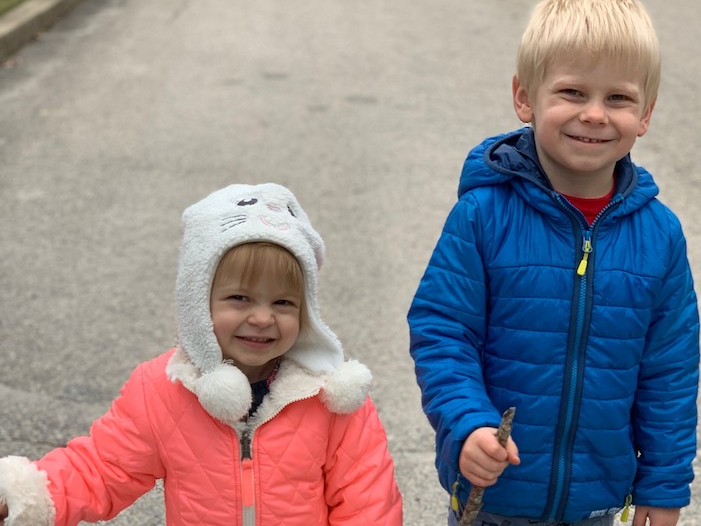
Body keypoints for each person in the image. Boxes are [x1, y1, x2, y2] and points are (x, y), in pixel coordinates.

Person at [407, 0, 699, 525]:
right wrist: (467, 423)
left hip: (595, 502)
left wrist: (664, 485)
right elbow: (443, 332)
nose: (594, 114)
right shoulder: (482, 215)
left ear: (645, 114)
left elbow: (670, 372)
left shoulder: (660, 236)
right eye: (571, 91)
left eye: (618, 98)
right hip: (490, 496)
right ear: (525, 98)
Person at [0, 183, 403, 525]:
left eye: (283, 302)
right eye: (239, 298)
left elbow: (367, 502)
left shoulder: (333, 399)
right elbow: (102, 468)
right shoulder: (162, 390)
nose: (262, 318)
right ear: (198, 302)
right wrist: (20, 493)